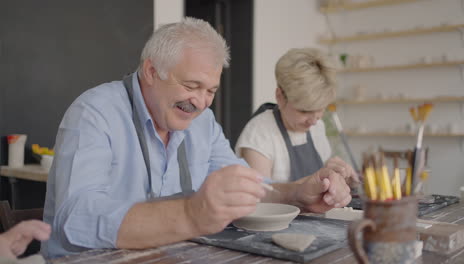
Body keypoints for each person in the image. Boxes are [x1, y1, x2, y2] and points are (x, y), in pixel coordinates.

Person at [42, 18, 351, 258]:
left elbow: (245, 186)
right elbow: (76, 220)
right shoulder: (95, 113)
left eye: (211, 91)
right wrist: (192, 214)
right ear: (151, 71)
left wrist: (299, 193)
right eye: (192, 86)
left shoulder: (202, 123)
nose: (201, 102)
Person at [235, 48, 358, 184]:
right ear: (280, 97)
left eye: (320, 110)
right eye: (304, 111)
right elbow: (261, 196)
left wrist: (338, 177)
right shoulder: (259, 135)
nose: (313, 121)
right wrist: (315, 182)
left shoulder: (318, 127)